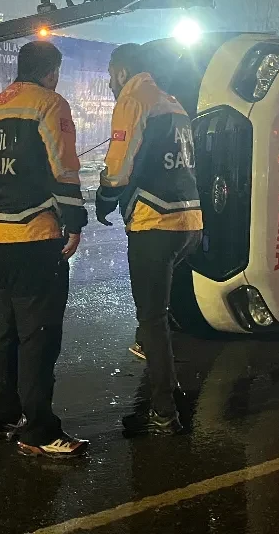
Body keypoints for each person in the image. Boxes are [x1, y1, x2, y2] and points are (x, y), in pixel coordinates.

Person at [0, 40, 89, 459]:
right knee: (38, 335)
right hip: (32, 236)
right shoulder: (50, 104)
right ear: (51, 72)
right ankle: (40, 431)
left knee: (2, 331)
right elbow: (64, 169)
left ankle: (4, 419)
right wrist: (75, 222)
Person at [94, 42, 202, 436]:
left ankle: (164, 412)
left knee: (152, 319)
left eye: (111, 75)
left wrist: (104, 198)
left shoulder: (133, 98)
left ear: (122, 71)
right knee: (157, 315)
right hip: (189, 221)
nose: (110, 83)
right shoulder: (172, 102)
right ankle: (163, 376)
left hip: (154, 220)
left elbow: (119, 165)